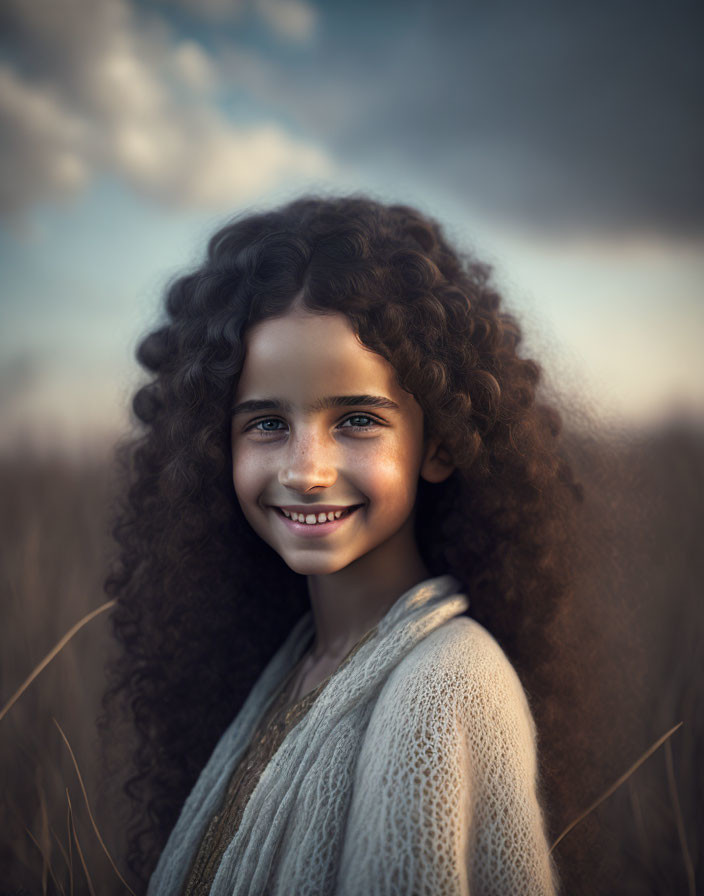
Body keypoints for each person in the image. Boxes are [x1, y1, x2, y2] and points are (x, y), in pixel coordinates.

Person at [103, 196, 582, 894]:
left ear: (440, 441)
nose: (306, 470)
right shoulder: (299, 664)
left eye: (356, 418)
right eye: (267, 424)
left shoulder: (442, 687)